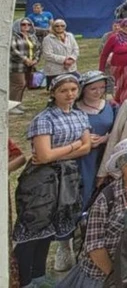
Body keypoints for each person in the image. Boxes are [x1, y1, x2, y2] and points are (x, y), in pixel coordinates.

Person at [12, 73, 91, 284]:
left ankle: (39, 275)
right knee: (34, 228)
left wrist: (59, 152)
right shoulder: (44, 119)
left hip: (67, 178)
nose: (69, 94)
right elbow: (44, 156)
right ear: (53, 93)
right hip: (41, 181)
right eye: (63, 91)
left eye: (73, 90)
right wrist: (73, 145)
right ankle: (23, 279)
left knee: (51, 228)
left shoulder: (79, 116)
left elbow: (86, 147)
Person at [60, 138, 127, 288]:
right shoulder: (106, 197)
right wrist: (114, 276)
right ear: (121, 167)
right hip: (102, 273)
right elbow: (94, 245)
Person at [75, 70, 117, 209]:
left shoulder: (111, 106)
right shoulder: (74, 109)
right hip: (81, 157)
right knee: (83, 187)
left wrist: (105, 139)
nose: (98, 92)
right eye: (93, 88)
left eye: (102, 88)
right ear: (83, 89)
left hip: (104, 154)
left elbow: (119, 131)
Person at [41, 18, 80, 86]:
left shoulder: (70, 36)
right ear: (53, 27)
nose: (60, 27)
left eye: (62, 26)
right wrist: (64, 60)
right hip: (55, 71)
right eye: (57, 26)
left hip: (70, 68)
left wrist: (72, 59)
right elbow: (48, 55)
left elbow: (76, 49)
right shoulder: (48, 39)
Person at [9, 17, 39, 106]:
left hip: (30, 65)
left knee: (24, 84)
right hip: (17, 65)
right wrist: (25, 59)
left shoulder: (32, 36)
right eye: (23, 24)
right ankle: (12, 105)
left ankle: (18, 103)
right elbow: (12, 50)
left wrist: (35, 60)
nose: (26, 26)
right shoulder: (13, 36)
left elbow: (38, 49)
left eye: (28, 24)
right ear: (17, 25)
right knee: (18, 84)